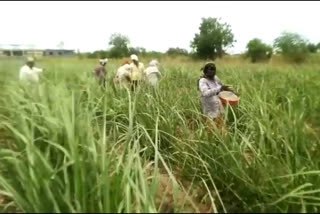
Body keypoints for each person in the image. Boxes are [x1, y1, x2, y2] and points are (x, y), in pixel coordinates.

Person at [198, 62, 233, 131]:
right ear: (205, 71)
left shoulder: (215, 78)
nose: (211, 71)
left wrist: (230, 90)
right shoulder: (202, 81)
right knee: (211, 128)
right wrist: (220, 88)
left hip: (218, 106)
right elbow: (206, 93)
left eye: (213, 69)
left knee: (221, 127)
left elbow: (222, 86)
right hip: (210, 108)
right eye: (209, 70)